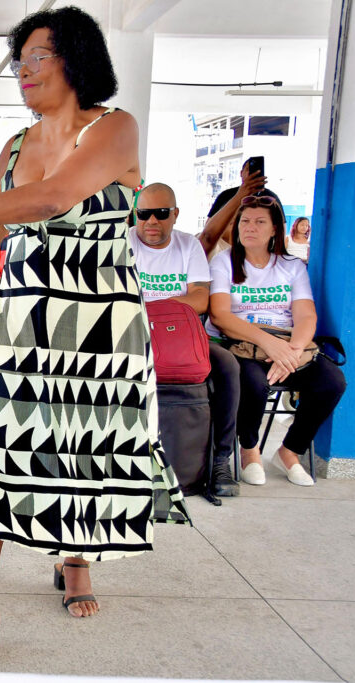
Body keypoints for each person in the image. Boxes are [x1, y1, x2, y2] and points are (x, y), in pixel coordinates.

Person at [0, 7, 190, 650]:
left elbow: (53, 198)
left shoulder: (115, 128)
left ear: (75, 59)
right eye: (18, 61)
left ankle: (76, 562)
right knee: (0, 448)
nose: (23, 71)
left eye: (36, 58)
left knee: (87, 449)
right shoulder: (15, 147)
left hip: (101, 329)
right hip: (27, 325)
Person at [206, 196, 345, 487]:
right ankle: (249, 449)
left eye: (259, 222)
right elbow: (220, 316)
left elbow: (306, 316)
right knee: (253, 382)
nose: (250, 227)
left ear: (274, 230)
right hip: (241, 344)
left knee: (331, 381)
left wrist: (292, 352)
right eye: (245, 221)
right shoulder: (223, 262)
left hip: (286, 343)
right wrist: (270, 344)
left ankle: (290, 450)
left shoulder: (291, 266)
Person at [130, 183, 240, 497]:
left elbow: (201, 298)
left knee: (228, 367)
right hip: (134, 336)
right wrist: (174, 305)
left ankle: (221, 461)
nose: (152, 221)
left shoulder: (188, 246)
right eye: (144, 213)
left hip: (182, 338)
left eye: (161, 213)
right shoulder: (123, 243)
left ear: (175, 214)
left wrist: (151, 308)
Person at [200, 159, 282, 261]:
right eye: (248, 169)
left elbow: (281, 231)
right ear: (241, 173)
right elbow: (208, 234)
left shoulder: (271, 198)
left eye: (260, 221)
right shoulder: (226, 195)